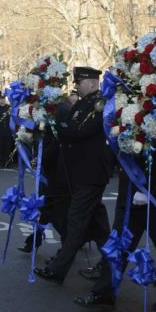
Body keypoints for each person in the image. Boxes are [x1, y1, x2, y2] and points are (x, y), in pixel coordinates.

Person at [34, 66, 113, 286]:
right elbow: (72, 126)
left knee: (76, 222)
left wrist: (60, 125)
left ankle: (58, 269)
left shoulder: (99, 104)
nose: (76, 86)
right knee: (100, 228)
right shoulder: (82, 103)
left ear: (91, 82)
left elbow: (80, 130)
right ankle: (111, 264)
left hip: (91, 174)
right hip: (80, 174)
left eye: (79, 82)